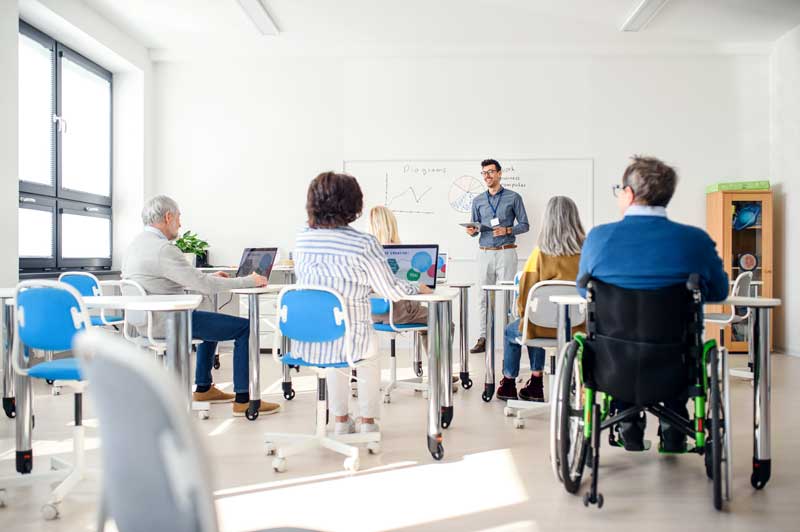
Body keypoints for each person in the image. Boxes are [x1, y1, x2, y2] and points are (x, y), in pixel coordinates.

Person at [577, 155, 728, 451]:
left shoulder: (599, 238)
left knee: (619, 338)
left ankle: (628, 421)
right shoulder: (694, 240)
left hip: (613, 365)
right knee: (678, 340)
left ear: (629, 194)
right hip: (674, 363)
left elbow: (585, 292)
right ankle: (674, 423)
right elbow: (719, 291)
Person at [295, 172, 433, 435]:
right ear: (353, 203)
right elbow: (390, 290)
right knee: (366, 357)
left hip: (309, 336)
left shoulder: (302, 239)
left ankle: (340, 422)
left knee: (336, 359)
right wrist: (418, 287)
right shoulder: (362, 243)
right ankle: (367, 423)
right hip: (352, 334)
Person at [122, 195, 280, 417]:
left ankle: (204, 388)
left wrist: (209, 277)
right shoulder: (163, 249)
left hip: (146, 321)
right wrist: (249, 281)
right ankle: (245, 399)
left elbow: (172, 280)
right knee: (246, 328)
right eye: (178, 218)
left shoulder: (135, 246)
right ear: (168, 217)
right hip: (169, 323)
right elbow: (204, 285)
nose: (180, 224)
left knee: (210, 320)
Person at [497, 196, 585, 401]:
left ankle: (510, 382)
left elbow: (526, 294)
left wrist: (522, 316)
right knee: (535, 321)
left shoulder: (539, 253)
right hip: (577, 328)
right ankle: (536, 383)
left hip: (541, 327)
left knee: (518, 328)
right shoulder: (586, 252)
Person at [466, 158, 529, 353]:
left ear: (500, 173)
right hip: (485, 253)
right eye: (484, 173)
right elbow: (475, 227)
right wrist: (471, 231)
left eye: (491, 172)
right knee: (482, 298)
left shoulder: (513, 197)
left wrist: (508, 230)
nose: (487, 176)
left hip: (506, 252)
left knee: (510, 297)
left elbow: (525, 225)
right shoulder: (477, 201)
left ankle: (510, 337)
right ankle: (483, 337)